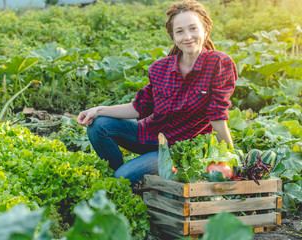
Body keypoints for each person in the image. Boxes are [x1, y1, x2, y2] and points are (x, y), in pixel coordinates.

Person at [76, 0, 237, 188]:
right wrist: (98, 110)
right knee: (98, 125)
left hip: (176, 150)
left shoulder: (218, 63)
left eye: (193, 28)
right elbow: (139, 107)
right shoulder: (160, 68)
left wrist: (231, 157)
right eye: (180, 31)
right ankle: (123, 183)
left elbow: (217, 116)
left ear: (206, 30)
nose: (187, 36)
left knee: (123, 177)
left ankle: (124, 180)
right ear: (173, 37)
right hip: (148, 134)